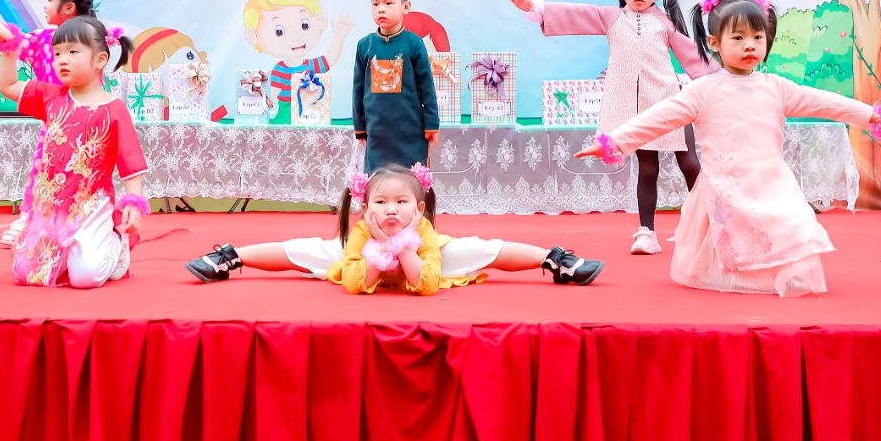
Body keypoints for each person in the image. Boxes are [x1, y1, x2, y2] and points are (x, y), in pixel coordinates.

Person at [576, 0, 881, 297]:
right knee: (730, 237)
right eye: (738, 38)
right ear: (715, 42)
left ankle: (770, 275)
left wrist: (874, 116)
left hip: (770, 180)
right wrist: (614, 142)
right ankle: (736, 279)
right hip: (723, 183)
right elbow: (658, 117)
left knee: (793, 223)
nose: (750, 45)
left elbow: (824, 102)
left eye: (757, 37)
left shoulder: (777, 87)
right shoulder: (702, 90)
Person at [508, 0, 715, 255]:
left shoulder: (666, 22)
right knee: (648, 168)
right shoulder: (611, 17)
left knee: (690, 164)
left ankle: (710, 225)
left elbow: (693, 57)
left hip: (670, 102)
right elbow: (576, 14)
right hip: (638, 112)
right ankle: (646, 233)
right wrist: (535, 8)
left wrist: (722, 81)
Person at [183, 163, 604, 289]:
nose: (391, 210)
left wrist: (402, 245)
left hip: (420, 259)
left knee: (479, 248)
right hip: (366, 257)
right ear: (366, 208)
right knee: (306, 251)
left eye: (401, 203)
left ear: (418, 209)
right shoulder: (363, 232)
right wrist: (377, 244)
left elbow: (425, 283)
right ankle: (231, 257)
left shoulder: (424, 232)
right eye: (381, 202)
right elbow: (355, 282)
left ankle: (554, 260)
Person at [0, 15, 148, 287]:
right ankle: (70, 250)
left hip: (90, 204)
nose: (62, 59)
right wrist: (10, 46)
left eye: (73, 52)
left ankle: (117, 240)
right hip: (50, 206)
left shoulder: (114, 109)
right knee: (26, 274)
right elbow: (7, 85)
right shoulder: (50, 96)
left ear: (100, 60)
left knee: (86, 279)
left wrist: (133, 202)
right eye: (58, 53)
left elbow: (131, 163)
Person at [0, 0, 103, 248]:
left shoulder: (92, 39)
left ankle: (78, 222)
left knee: (82, 172)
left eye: (49, 0)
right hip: (53, 120)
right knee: (43, 168)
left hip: (85, 119)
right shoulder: (41, 39)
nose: (45, 6)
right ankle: (29, 220)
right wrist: (0, 36)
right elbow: (15, 43)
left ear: (68, 7)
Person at [352, 0, 438, 171]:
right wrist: (360, 127)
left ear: (405, 7)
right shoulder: (364, 46)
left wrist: (432, 123)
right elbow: (358, 90)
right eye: (375, 4)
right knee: (377, 181)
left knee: (412, 182)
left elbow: (427, 87)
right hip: (377, 134)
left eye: (388, 3)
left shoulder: (414, 43)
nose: (381, 9)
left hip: (411, 132)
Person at [241, 0, 353, 125]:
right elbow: (273, 94)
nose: (296, 37)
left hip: (308, 111)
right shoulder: (280, 69)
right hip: (286, 114)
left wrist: (339, 36)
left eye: (304, 25)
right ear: (254, 35)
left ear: (319, 21)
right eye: (279, 31)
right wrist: (258, 98)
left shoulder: (310, 65)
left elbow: (329, 58)